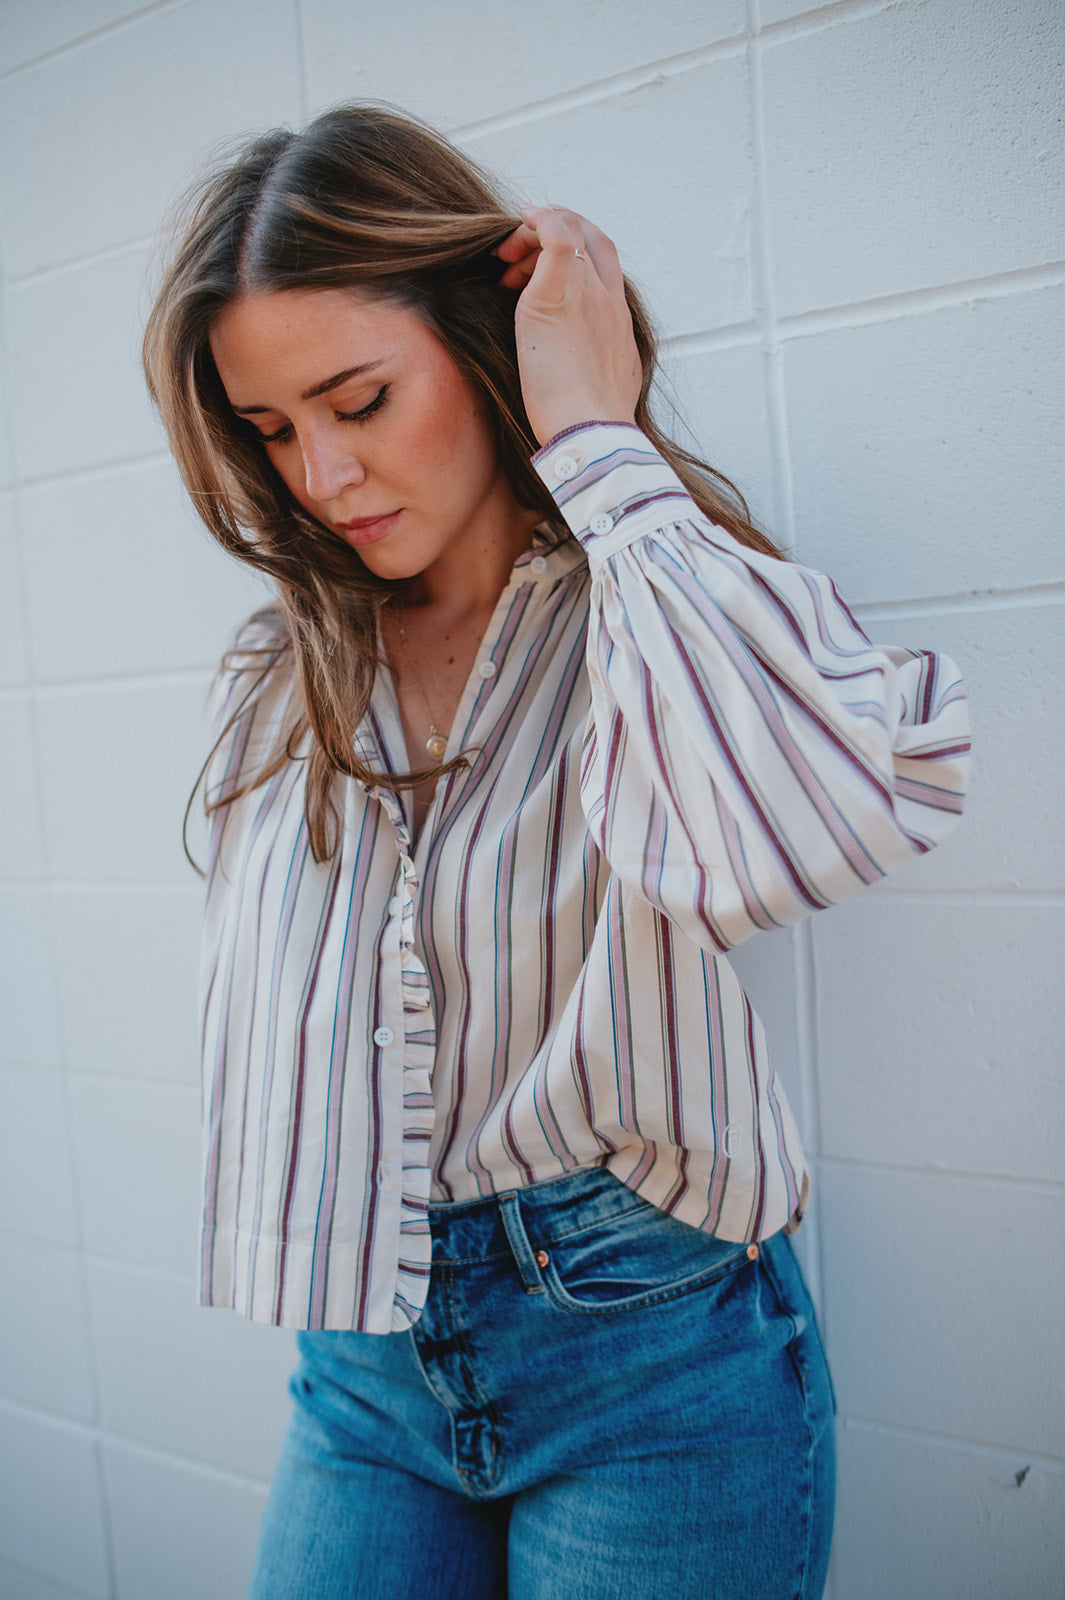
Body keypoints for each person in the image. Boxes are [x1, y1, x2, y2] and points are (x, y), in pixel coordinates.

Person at [143, 105, 969, 1600]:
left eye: (359, 400)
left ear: (479, 345)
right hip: (361, 1378)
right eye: (271, 429)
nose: (321, 472)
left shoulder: (649, 615)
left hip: (647, 1365)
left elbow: (804, 832)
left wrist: (591, 435)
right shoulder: (285, 671)